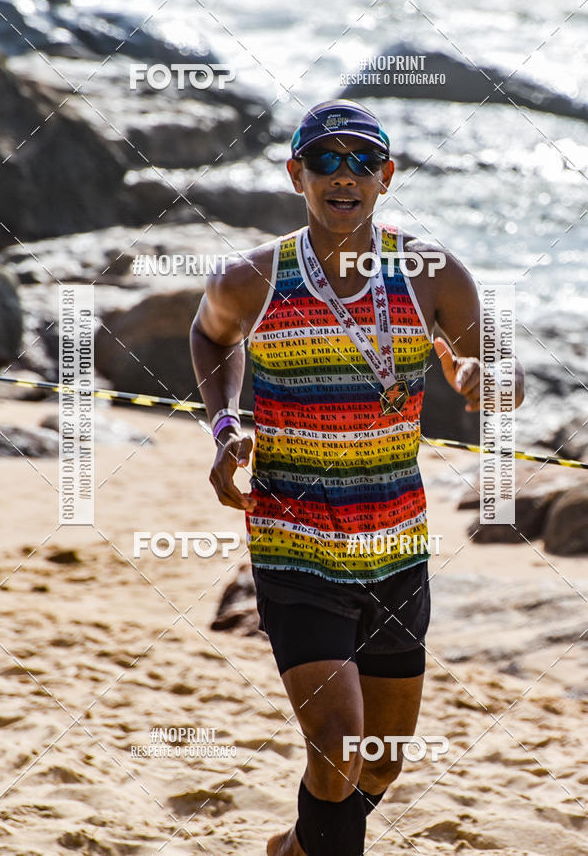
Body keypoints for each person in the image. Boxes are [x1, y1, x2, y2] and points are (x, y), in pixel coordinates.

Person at [190, 99, 524, 856]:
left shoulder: (431, 274)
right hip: (292, 544)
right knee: (338, 746)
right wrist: (224, 423)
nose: (345, 176)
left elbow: (510, 375)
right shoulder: (253, 278)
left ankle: (297, 846)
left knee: (379, 761)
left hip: (396, 546)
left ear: (386, 176)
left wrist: (482, 377)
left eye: (362, 160)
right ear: (296, 174)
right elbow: (210, 337)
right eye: (327, 160)